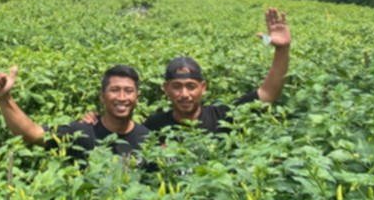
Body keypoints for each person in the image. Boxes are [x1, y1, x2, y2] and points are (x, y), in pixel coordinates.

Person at [81, 7, 291, 133]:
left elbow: (268, 93)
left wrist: (282, 50)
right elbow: (124, 133)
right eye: (177, 86)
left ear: (203, 88)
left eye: (191, 86)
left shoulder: (223, 116)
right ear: (166, 89)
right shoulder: (154, 127)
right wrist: (93, 123)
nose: (184, 94)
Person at [0, 64, 149, 160]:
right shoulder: (81, 133)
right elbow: (31, 133)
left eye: (129, 91)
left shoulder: (148, 139)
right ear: (102, 97)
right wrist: (4, 99)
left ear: (137, 97)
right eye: (114, 90)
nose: (122, 97)